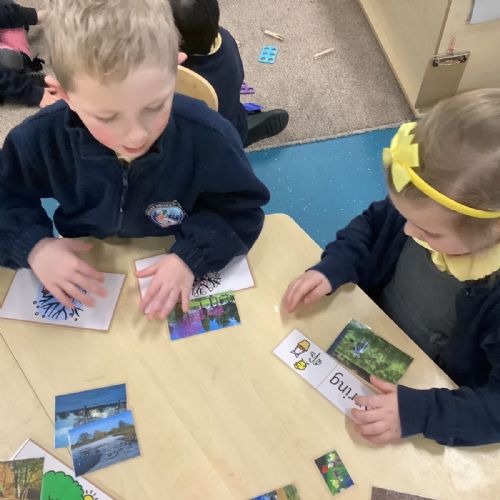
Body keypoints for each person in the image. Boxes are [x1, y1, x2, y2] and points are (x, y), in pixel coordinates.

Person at [0, 0, 269, 321]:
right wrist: (33, 246)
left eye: (154, 107)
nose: (136, 135)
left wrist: (192, 256)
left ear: (176, 69)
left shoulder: (209, 135)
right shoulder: (41, 137)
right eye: (107, 117)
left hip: (171, 250)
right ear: (63, 95)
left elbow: (240, 210)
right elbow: (5, 197)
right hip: (89, 258)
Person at [283, 89, 500, 447]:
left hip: (435, 393)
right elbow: (371, 225)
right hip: (376, 330)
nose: (408, 231)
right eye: (404, 215)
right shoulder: (427, 209)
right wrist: (335, 265)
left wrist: (421, 413)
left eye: (429, 232)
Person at [169, 0, 289, 147]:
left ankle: (240, 135)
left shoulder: (188, 77)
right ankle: (241, 129)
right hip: (230, 108)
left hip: (214, 130)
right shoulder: (223, 36)